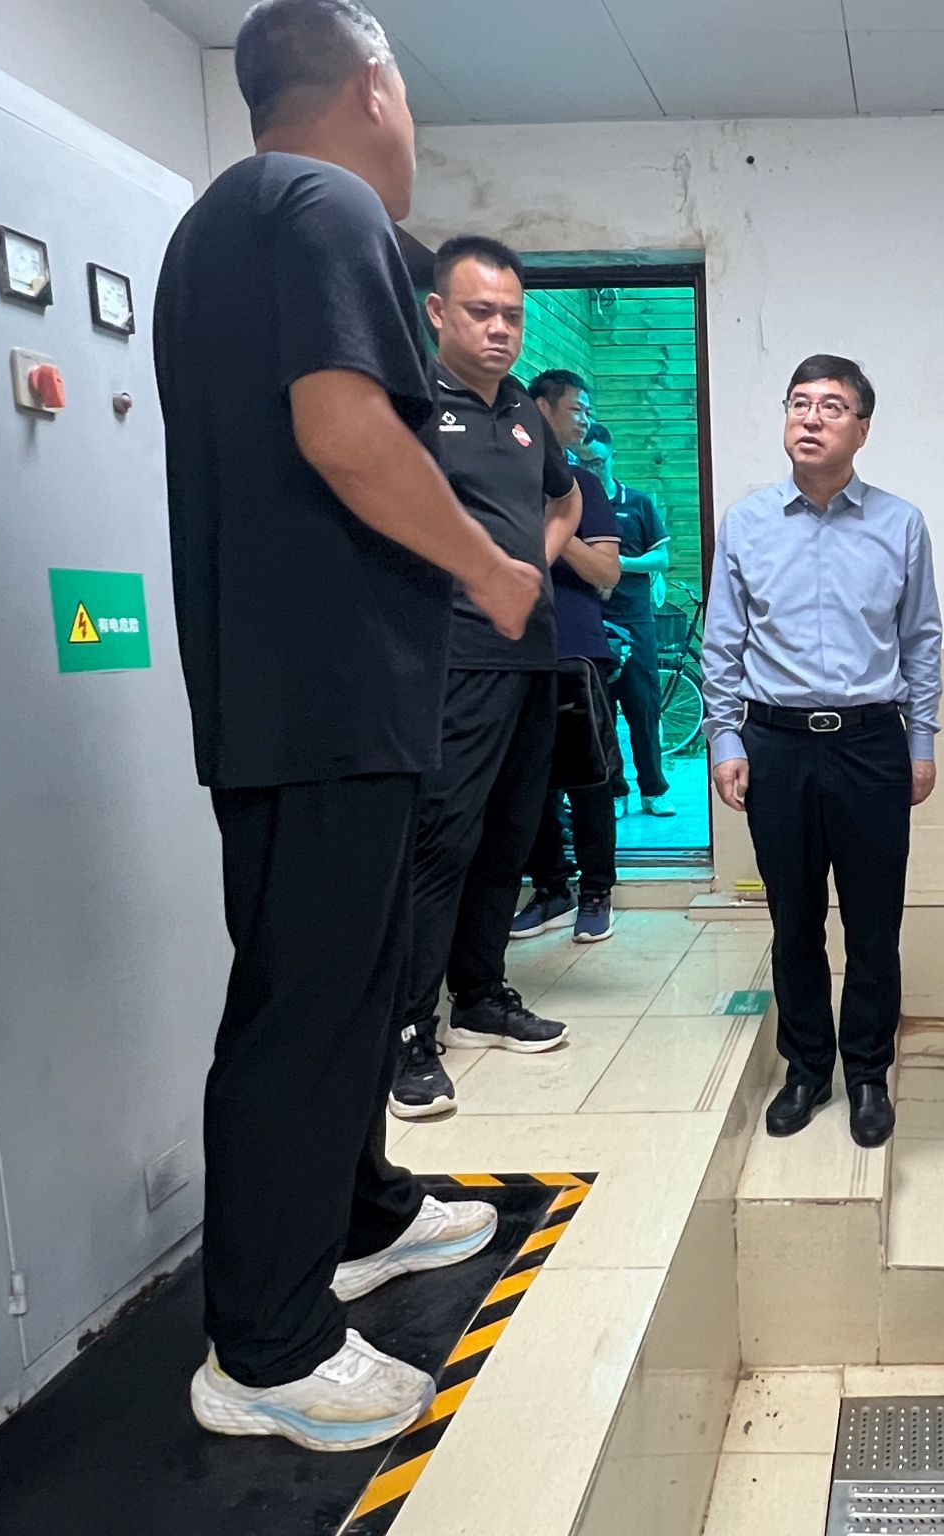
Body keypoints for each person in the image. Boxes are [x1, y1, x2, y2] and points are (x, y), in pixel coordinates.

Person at [154, 0, 543, 1451]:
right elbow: (345, 428)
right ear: (374, 85)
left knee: (355, 981)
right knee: (305, 1009)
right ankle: (265, 1349)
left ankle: (365, 1213)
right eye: (408, 93)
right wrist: (489, 566)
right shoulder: (326, 207)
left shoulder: (223, 222)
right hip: (318, 694)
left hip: (309, 691)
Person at [703, 355, 942, 1148]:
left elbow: (921, 639)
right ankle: (807, 1067)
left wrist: (921, 739)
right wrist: (726, 737)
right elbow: (723, 641)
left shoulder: (900, 524)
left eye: (832, 406)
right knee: (794, 919)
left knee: (874, 925)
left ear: (862, 430)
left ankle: (868, 1072)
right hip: (775, 744)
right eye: (799, 403)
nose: (810, 418)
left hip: (872, 744)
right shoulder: (746, 522)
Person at [387, 236, 583, 1121]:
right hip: (454, 657)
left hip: (530, 655)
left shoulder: (524, 413)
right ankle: (408, 1032)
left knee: (511, 833)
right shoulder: (412, 404)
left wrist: (530, 566)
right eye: (481, 312)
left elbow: (564, 499)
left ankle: (480, 995)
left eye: (512, 315)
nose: (500, 329)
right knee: (444, 839)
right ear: (438, 312)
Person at [511, 370, 626, 946]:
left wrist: (560, 525)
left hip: (575, 650)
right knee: (525, 781)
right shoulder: (501, 478)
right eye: (577, 408)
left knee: (588, 778)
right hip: (508, 651)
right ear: (541, 408)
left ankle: (597, 892)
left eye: (586, 410)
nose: (584, 419)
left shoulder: (582, 484)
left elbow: (608, 574)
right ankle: (551, 888)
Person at [593, 426, 676, 817]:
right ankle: (615, 791)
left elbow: (661, 559)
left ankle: (653, 789)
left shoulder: (638, 503)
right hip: (593, 621)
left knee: (643, 707)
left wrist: (620, 563)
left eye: (599, 461)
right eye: (584, 462)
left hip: (635, 620)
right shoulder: (574, 505)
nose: (592, 469)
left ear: (613, 458)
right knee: (600, 711)